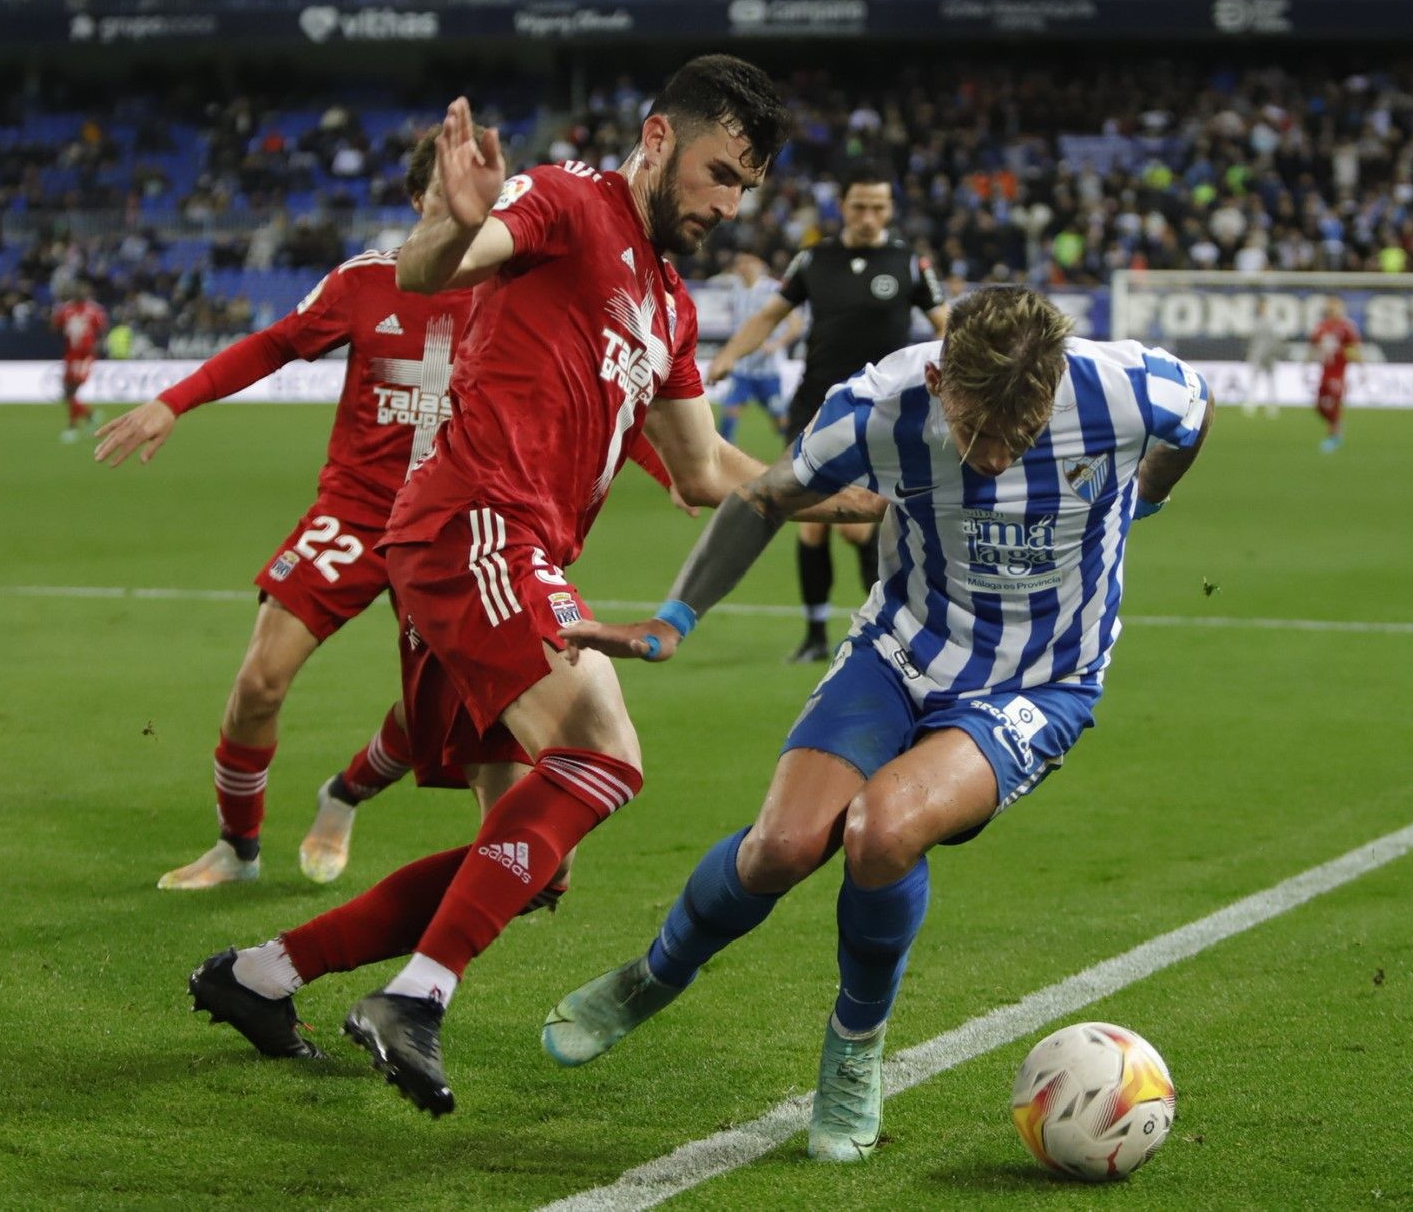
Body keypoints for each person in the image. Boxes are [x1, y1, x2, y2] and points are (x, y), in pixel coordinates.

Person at [184, 56, 870, 1116]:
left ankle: (260, 975)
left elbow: (708, 472)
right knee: (606, 754)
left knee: (525, 864)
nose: (725, 204)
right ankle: (414, 996)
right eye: (717, 172)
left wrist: (866, 505)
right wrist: (457, 224)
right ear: (656, 139)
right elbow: (428, 272)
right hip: (473, 527)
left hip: (510, 553)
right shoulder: (565, 201)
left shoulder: (669, 305)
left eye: (744, 189)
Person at [541, 285, 1212, 1162]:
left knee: (882, 830)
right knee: (778, 847)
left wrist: (1145, 496)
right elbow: (762, 499)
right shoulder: (873, 407)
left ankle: (853, 1052)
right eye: (976, 432)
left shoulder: (1128, 390)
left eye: (1020, 434)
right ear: (938, 380)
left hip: (1044, 679)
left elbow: (1192, 422)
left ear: (1054, 391)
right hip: (900, 650)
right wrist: (673, 619)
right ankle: (652, 975)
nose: (994, 455)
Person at [97, 126, 677, 890]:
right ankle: (236, 849)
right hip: (359, 511)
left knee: (437, 712)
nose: (471, 214)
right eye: (449, 199)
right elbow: (276, 344)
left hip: (464, 522)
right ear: (419, 201)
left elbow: (596, 396)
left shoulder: (522, 280)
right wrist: (175, 401)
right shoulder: (368, 282)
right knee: (260, 681)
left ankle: (343, 793)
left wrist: (660, 463)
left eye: (485, 200)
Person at [705, 167, 950, 663]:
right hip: (816, 404)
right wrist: (729, 355)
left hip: (882, 410)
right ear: (844, 206)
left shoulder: (908, 264)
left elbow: (947, 327)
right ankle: (816, 635)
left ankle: (883, 631)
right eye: (859, 206)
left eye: (878, 207)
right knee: (809, 523)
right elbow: (769, 315)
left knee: (859, 525)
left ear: (890, 209)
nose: (868, 216)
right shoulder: (814, 260)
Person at [711, 252, 794, 443]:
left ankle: (795, 453)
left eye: (748, 261)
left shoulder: (774, 289)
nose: (744, 266)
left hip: (767, 370)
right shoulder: (735, 289)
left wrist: (776, 344)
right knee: (729, 411)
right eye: (740, 262)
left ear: (760, 264)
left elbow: (795, 324)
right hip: (742, 369)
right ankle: (726, 460)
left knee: (781, 420)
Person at [53, 284, 108, 443]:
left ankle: (72, 427)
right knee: (67, 393)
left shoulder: (92, 310)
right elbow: (56, 327)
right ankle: (90, 417)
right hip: (71, 355)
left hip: (85, 356)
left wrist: (95, 346)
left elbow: (102, 328)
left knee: (72, 392)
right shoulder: (66, 310)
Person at [1309, 297, 1360, 453]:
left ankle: (1334, 436)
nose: (1334, 310)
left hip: (1338, 374)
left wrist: (1362, 367)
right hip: (1325, 372)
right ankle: (1336, 423)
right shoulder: (1321, 327)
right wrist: (1305, 364)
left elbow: (1354, 348)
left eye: (1337, 308)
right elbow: (1312, 347)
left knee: (1335, 404)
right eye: (1331, 308)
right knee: (1318, 407)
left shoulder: (1346, 327)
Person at [1243, 297, 1280, 418]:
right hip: (1258, 355)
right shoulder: (1255, 321)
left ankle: (1272, 405)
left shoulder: (1271, 322)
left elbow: (1276, 339)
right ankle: (1251, 403)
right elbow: (1251, 340)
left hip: (1269, 356)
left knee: (1270, 381)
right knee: (1254, 379)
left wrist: (1273, 353)